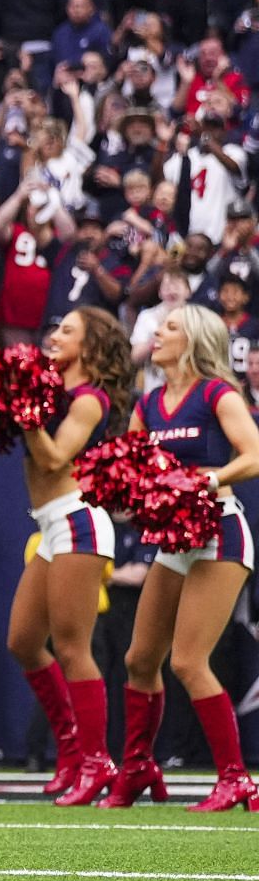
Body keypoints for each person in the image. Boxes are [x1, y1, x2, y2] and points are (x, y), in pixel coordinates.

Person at [108, 304, 259, 812]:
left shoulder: (217, 393)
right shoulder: (148, 404)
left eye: (170, 327)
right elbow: (129, 469)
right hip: (173, 539)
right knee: (139, 659)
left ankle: (235, 779)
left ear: (193, 339)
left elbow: (254, 455)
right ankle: (137, 768)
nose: (157, 333)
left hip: (220, 531)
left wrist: (203, 480)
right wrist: (118, 491)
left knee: (189, 661)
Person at [8, 308, 135, 805]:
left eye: (67, 331)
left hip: (79, 520)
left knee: (72, 648)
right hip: (51, 525)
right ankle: (70, 749)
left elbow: (55, 458)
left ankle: (96, 759)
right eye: (55, 329)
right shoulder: (52, 394)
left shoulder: (88, 399)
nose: (54, 336)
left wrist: (23, 412)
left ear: (90, 347)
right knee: (22, 641)